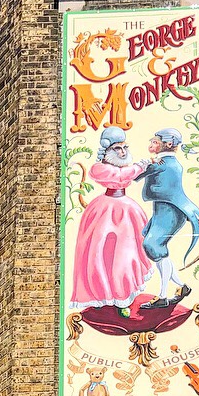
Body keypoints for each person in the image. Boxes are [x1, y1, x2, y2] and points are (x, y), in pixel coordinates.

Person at [69, 127, 153, 314]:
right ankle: (107, 294)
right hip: (105, 212)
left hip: (126, 210)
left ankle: (124, 293)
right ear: (107, 150)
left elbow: (126, 175)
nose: (122, 152)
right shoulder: (99, 168)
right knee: (101, 253)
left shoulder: (123, 168)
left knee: (127, 254)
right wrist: (140, 166)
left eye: (124, 147)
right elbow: (120, 176)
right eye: (117, 148)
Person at [138, 128, 199, 310]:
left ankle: (162, 296)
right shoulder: (169, 163)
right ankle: (182, 286)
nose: (151, 145)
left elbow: (135, 176)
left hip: (169, 211)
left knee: (152, 245)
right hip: (163, 210)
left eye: (155, 142)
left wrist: (143, 165)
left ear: (168, 144)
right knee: (155, 248)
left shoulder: (163, 164)